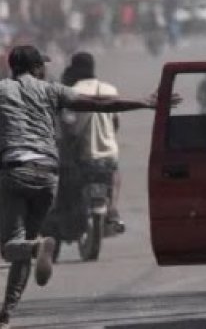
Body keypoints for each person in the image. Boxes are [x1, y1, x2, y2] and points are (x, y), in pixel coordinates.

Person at [0, 45, 177, 329]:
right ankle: (6, 313)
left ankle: (34, 250)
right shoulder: (51, 90)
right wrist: (145, 102)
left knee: (11, 247)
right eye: (41, 65)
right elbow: (101, 104)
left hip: (15, 172)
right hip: (47, 175)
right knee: (25, 242)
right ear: (35, 68)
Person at [59, 52, 125, 232]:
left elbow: (67, 125)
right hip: (109, 154)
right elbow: (115, 123)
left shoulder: (71, 92)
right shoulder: (110, 90)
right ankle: (112, 209)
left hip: (83, 155)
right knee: (115, 173)